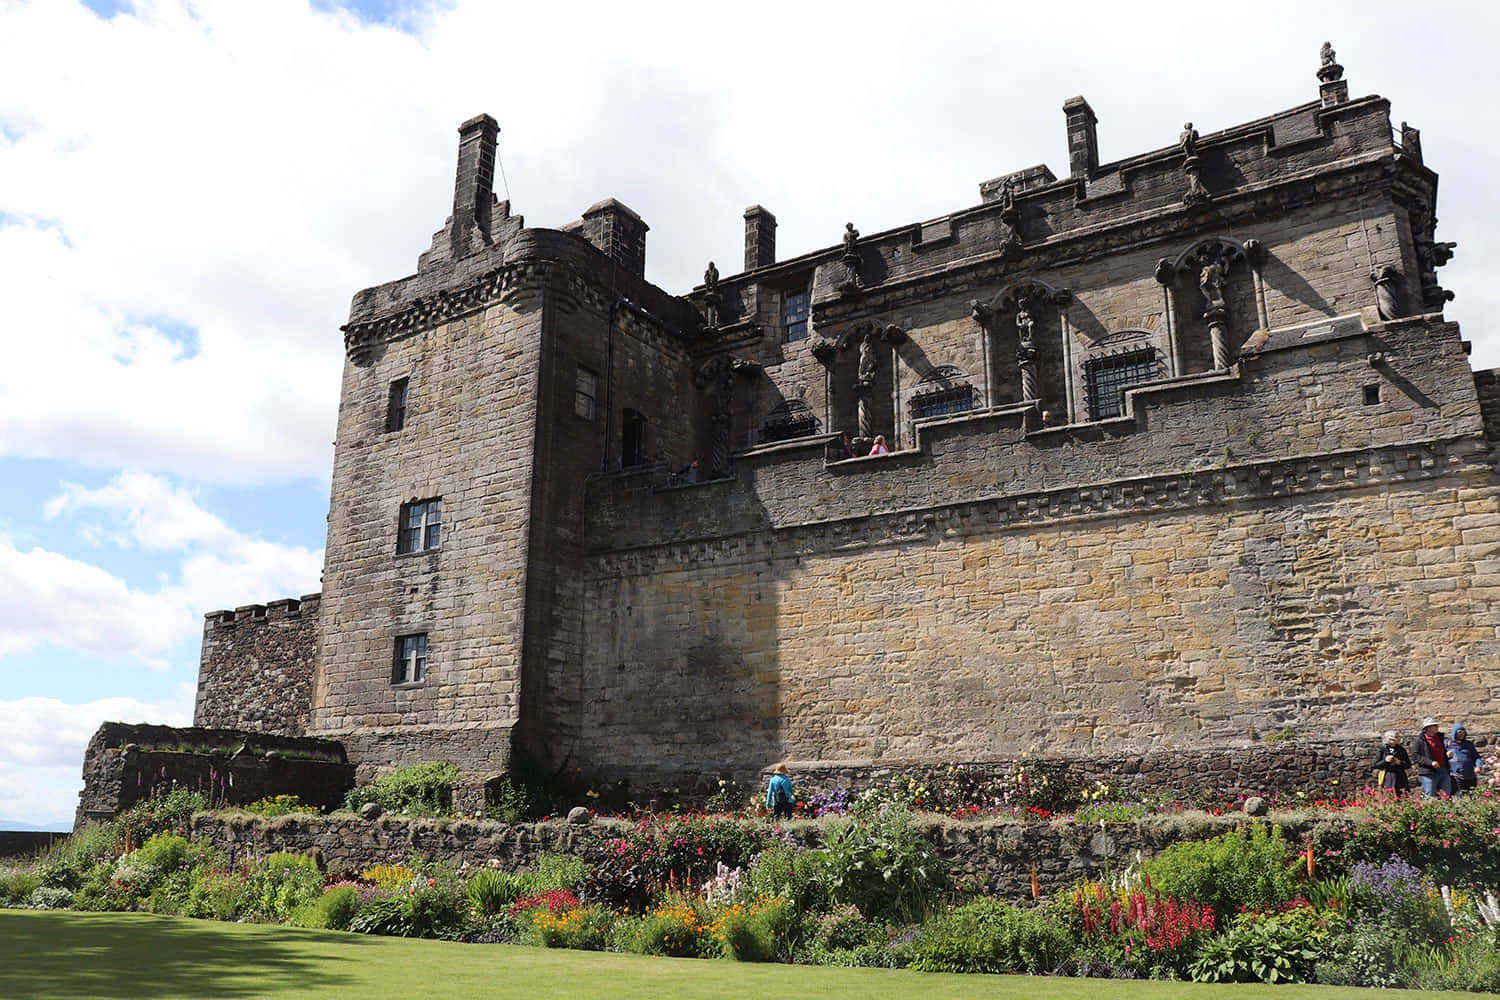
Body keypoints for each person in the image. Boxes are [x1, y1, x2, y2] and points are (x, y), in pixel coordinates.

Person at [1411, 718, 1453, 798]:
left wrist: (1447, 755)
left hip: (1443, 769)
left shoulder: (1440, 738)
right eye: (1435, 726)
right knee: (1430, 796)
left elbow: (1442, 751)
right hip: (1428, 772)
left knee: (1446, 795)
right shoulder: (1419, 740)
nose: (1437, 727)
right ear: (1428, 728)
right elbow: (1415, 756)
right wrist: (1431, 762)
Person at [1371, 729, 1411, 794]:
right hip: (1388, 775)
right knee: (1389, 795)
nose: (1399, 739)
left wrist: (1399, 762)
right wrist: (1385, 761)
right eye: (1397, 737)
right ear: (1391, 739)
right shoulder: (1382, 749)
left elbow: (1408, 764)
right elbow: (1376, 764)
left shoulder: (1401, 750)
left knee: (1402, 795)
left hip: (1400, 776)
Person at [1448, 722, 1481, 795]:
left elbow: (1477, 757)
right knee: (1459, 795)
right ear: (1455, 733)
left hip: (1470, 774)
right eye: (1459, 732)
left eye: (1463, 732)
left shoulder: (1468, 744)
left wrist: (1478, 766)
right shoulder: (1448, 744)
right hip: (1456, 775)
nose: (1462, 734)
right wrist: (1447, 755)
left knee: (1472, 795)